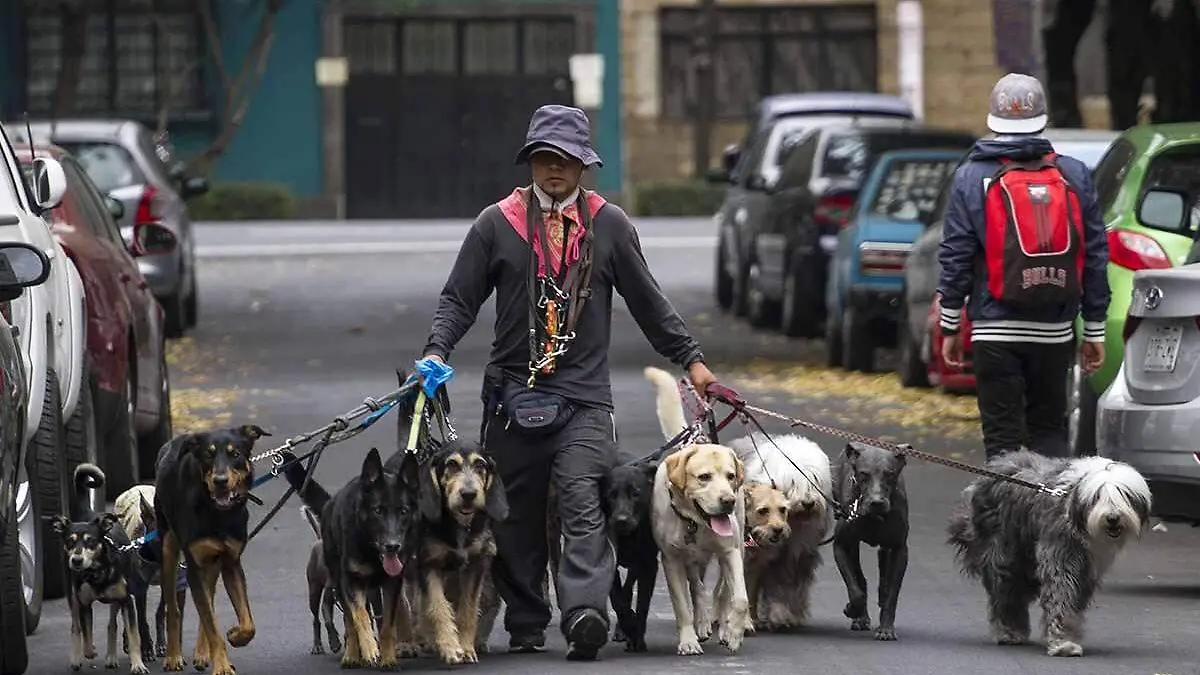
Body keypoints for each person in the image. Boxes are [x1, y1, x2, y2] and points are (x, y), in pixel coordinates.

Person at [420, 104, 717, 660]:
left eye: (567, 160)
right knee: (511, 513)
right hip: (512, 396)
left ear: (585, 166)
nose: (554, 170)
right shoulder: (495, 223)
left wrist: (692, 361)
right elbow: (458, 298)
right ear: (531, 161)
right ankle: (528, 620)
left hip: (583, 400)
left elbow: (650, 304)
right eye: (544, 158)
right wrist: (436, 350)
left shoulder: (610, 225)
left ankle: (584, 613)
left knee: (583, 503)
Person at [937, 73, 1110, 460]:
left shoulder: (970, 176)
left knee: (1002, 439)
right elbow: (1096, 253)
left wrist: (949, 325)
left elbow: (956, 255)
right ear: (1043, 120)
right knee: (1049, 431)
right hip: (1054, 328)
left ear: (993, 119)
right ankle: (1047, 515)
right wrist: (1094, 329)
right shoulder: (1074, 174)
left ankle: (1004, 518)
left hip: (993, 330)